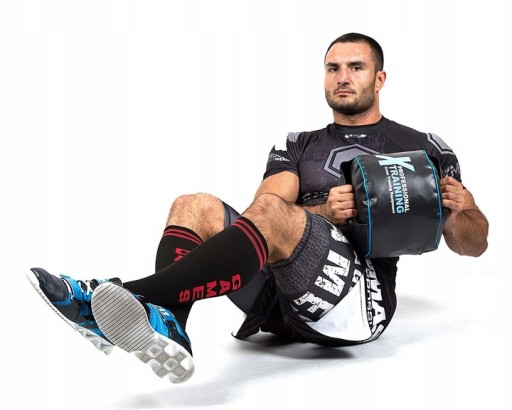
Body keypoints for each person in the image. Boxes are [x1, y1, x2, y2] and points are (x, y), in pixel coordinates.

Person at [27, 33, 489, 384]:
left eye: (356, 67)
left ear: (379, 78)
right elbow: (264, 211)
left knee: (271, 215)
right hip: (276, 300)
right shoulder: (299, 143)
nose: (343, 77)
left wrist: (463, 209)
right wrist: (325, 212)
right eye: (332, 68)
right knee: (194, 205)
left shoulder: (422, 147)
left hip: (355, 303)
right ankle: (171, 326)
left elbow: (473, 245)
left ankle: (112, 297)